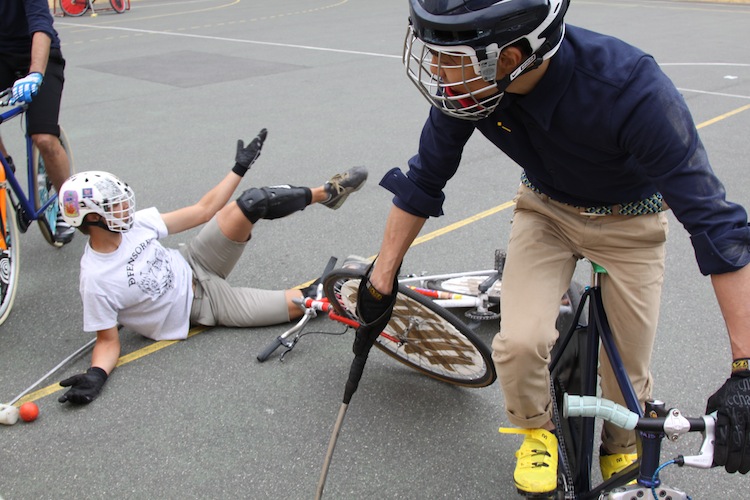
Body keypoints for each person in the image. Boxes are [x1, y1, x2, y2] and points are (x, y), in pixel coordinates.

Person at [354, 0, 750, 496]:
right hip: (546, 213)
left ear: (514, 54)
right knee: (519, 343)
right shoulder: (471, 88)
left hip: (632, 223)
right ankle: (536, 430)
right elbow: (424, 179)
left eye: (449, 56)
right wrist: (381, 277)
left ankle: (620, 443)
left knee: (626, 368)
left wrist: (745, 369)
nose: (436, 69)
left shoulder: (631, 88)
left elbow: (716, 224)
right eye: (433, 52)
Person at [56, 128, 368, 405]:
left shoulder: (134, 225)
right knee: (307, 300)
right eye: (114, 205)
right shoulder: (96, 279)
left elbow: (203, 210)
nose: (125, 206)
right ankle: (361, 282)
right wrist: (96, 374)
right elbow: (108, 341)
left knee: (254, 201)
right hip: (205, 306)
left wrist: (240, 167)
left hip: (196, 259)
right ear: (94, 219)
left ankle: (327, 194)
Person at [0, 0, 75, 244]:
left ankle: (69, 207)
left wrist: (35, 74)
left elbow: (41, 26)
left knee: (43, 137)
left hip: (39, 55)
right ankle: (5, 167)